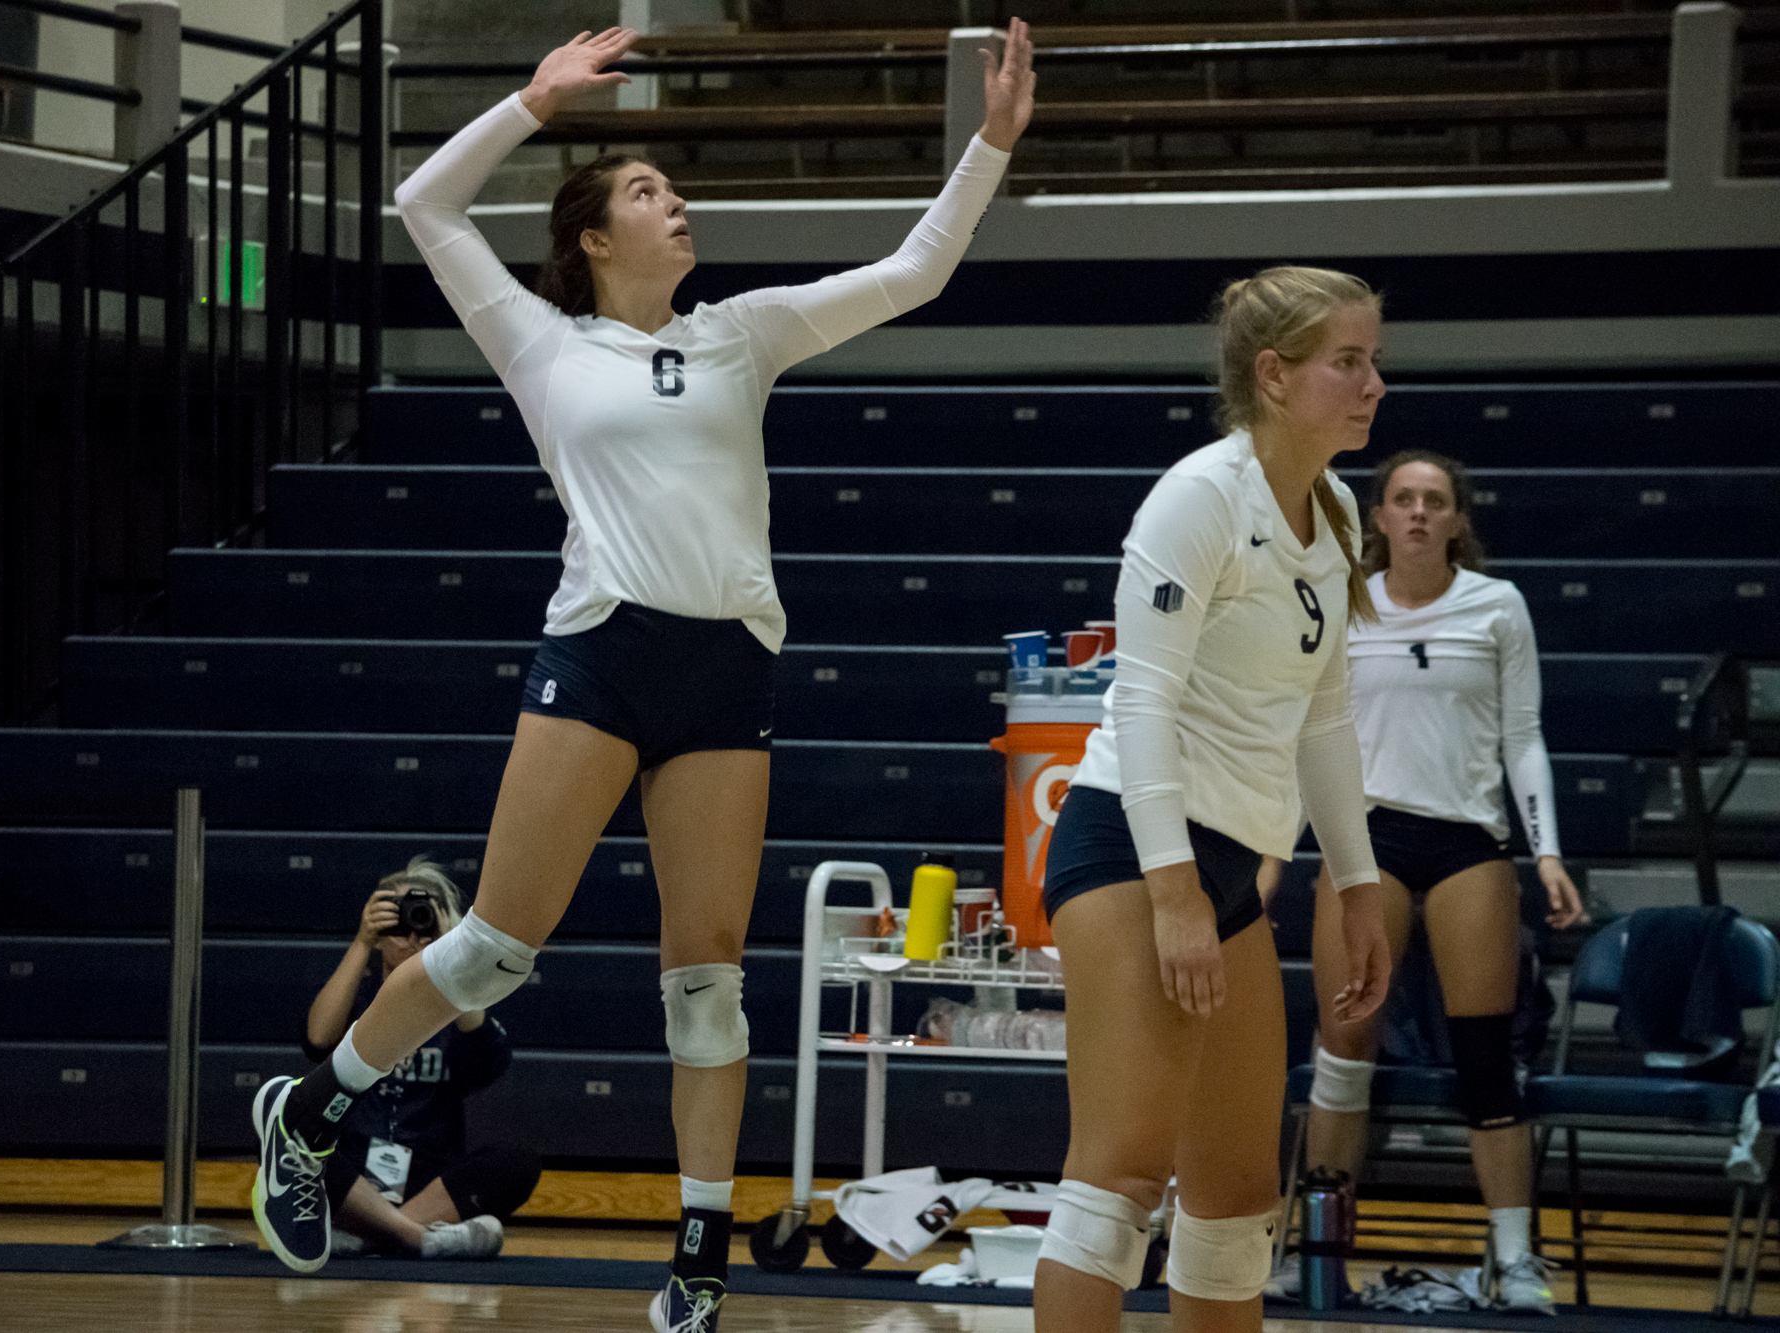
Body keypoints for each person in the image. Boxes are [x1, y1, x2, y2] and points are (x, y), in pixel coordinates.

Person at [247, 21, 1038, 1332]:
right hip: (602, 650)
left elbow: (916, 268)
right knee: (497, 946)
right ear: (592, 238)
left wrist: (990, 143)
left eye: (676, 190)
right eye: (648, 192)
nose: (679, 205)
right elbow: (422, 202)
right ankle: (315, 1108)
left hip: (728, 665)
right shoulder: (538, 341)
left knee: (708, 976)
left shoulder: (743, 333)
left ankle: (698, 1253)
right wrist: (531, 101)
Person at [1032, 266, 1394, 1333]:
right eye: (1349, 360)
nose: (1373, 382)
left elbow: (1322, 716)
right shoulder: (1199, 495)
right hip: (1135, 849)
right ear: (1274, 376)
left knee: (1236, 1195)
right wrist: (1173, 892)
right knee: (1117, 1182)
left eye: (1372, 360)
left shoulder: (1329, 516)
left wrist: (1358, 886)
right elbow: (1139, 700)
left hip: (1230, 864)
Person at [1283, 449, 1585, 1315]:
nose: (1417, 512)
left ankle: (1518, 1260)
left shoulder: (1497, 606)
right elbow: (1304, 732)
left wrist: (1549, 850)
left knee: (1487, 1060)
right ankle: (1320, 1252)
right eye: (1403, 499)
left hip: (1468, 842)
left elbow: (1523, 737)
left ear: (1458, 520)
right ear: (1377, 516)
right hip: (1363, 838)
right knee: (1343, 1054)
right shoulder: (1340, 601)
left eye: (1435, 500)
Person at [301, 856, 541, 1260]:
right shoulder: (358, 997)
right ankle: (417, 1238)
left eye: (425, 919)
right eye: (400, 921)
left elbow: (491, 1061)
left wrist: (455, 954)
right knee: (289, 1134)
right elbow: (318, 1038)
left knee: (517, 1162)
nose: (414, 934)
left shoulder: (454, 1007)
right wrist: (362, 941)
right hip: (354, 1184)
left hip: (430, 1187)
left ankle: (378, 1238)